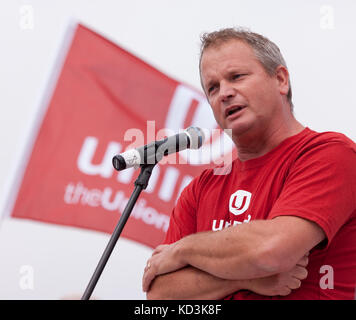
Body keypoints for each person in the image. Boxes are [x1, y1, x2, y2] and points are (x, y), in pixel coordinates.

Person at [142, 27, 356, 300]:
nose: (224, 93)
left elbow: (271, 250)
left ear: (280, 80)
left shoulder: (330, 154)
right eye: (213, 87)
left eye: (236, 77)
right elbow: (160, 294)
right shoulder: (199, 190)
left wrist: (182, 250)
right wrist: (249, 280)